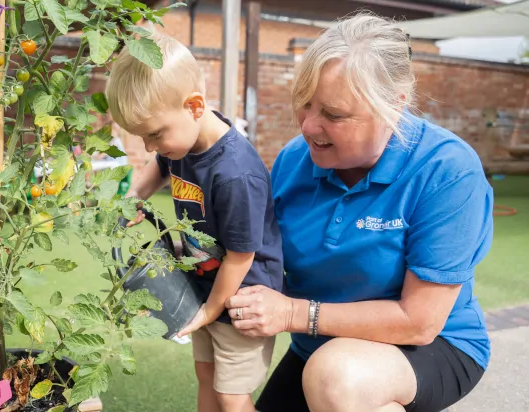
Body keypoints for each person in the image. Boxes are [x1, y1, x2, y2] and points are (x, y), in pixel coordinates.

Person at [224, 12, 493, 412]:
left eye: (333, 114)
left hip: (430, 346)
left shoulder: (446, 170)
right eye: (304, 104)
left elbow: (418, 322)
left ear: (393, 107)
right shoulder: (293, 160)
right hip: (318, 347)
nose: (309, 126)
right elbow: (260, 261)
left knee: (337, 379)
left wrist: (293, 312)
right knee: (332, 374)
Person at [104, 34, 285, 412]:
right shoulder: (181, 142)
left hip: (240, 300)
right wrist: (134, 197)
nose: (151, 146)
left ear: (195, 106)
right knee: (207, 376)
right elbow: (160, 164)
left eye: (154, 134)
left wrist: (210, 310)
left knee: (231, 394)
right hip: (204, 286)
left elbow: (240, 257)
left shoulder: (235, 175)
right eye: (142, 137)